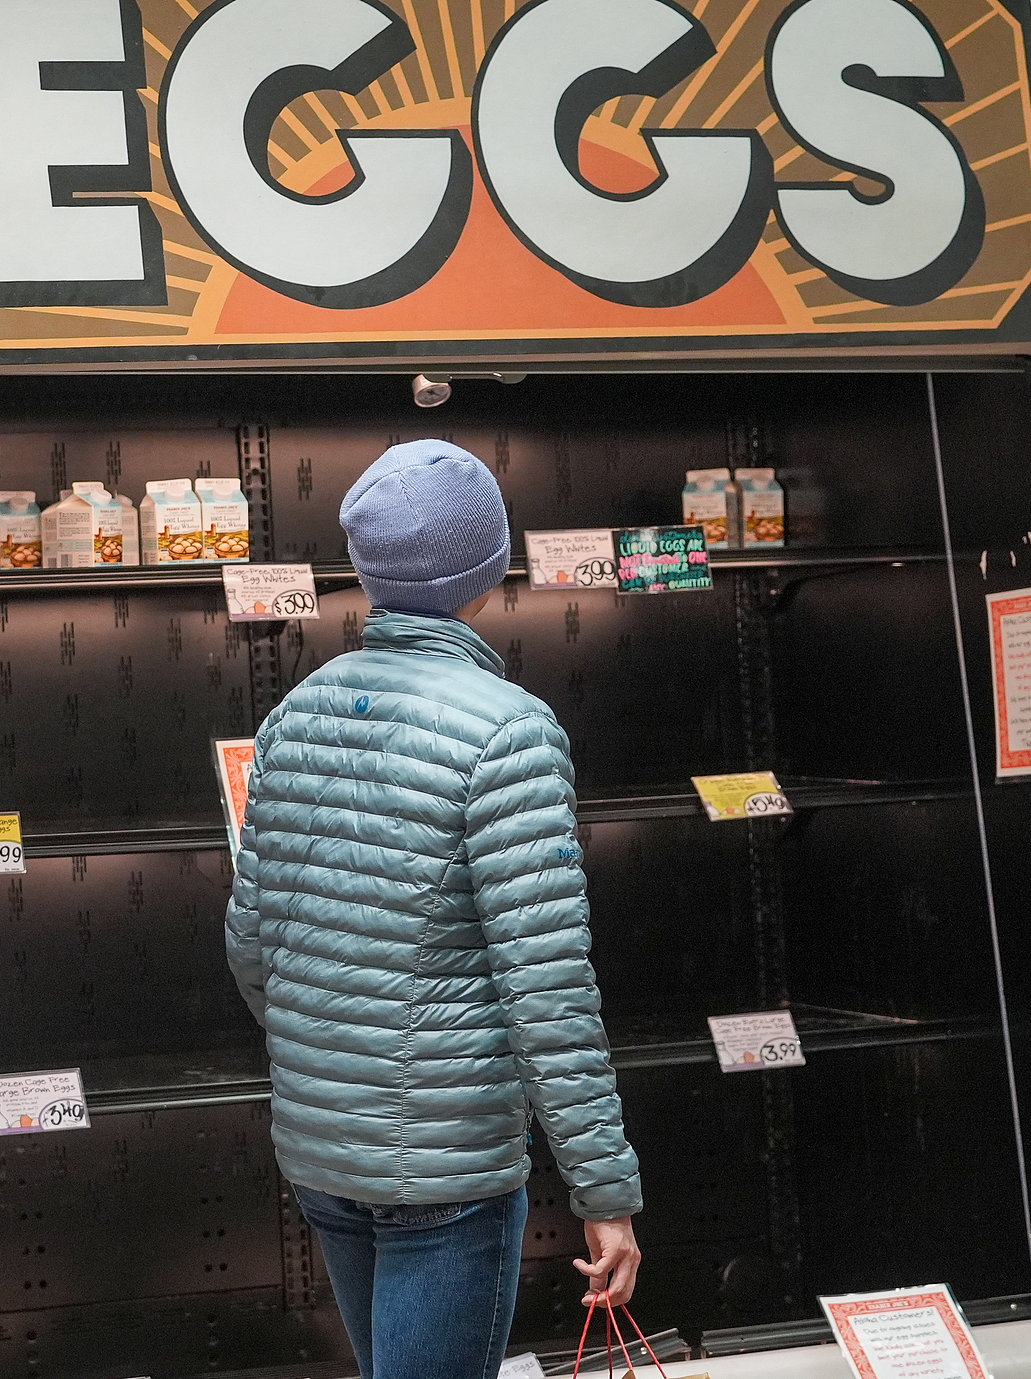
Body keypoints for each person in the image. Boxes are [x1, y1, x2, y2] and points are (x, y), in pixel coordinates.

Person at [225, 440, 642, 1379]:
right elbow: (548, 990)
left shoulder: (294, 715)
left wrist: (341, 1066)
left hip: (324, 1157)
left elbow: (251, 945)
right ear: (487, 568)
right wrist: (605, 1192)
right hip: (446, 1172)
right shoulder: (510, 729)